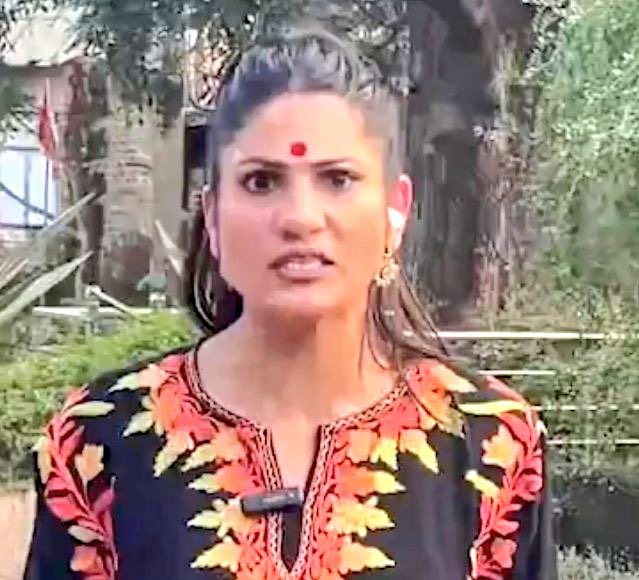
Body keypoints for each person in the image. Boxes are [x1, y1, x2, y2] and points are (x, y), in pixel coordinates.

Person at [24, 25, 556, 580]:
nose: (301, 218)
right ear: (213, 215)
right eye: (261, 182)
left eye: (338, 179)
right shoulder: (98, 443)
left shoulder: (495, 444)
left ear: (395, 210)